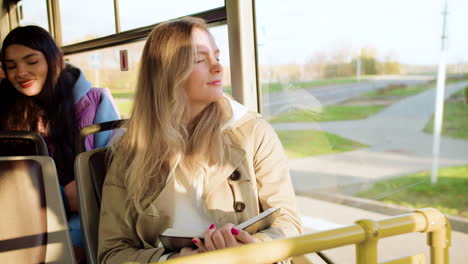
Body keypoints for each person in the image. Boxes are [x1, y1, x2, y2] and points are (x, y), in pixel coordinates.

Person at [98, 17, 302, 263]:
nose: (217, 68)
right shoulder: (129, 151)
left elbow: (288, 221)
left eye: (217, 57)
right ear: (167, 73)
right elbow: (112, 253)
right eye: (200, 60)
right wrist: (179, 259)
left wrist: (252, 246)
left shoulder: (253, 133)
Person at [0, 25, 120, 262]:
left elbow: (113, 172)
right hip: (19, 218)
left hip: (86, 221)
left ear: (53, 60)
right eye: (11, 66)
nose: (21, 72)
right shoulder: (6, 110)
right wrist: (62, 198)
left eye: (31, 61)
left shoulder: (93, 102)